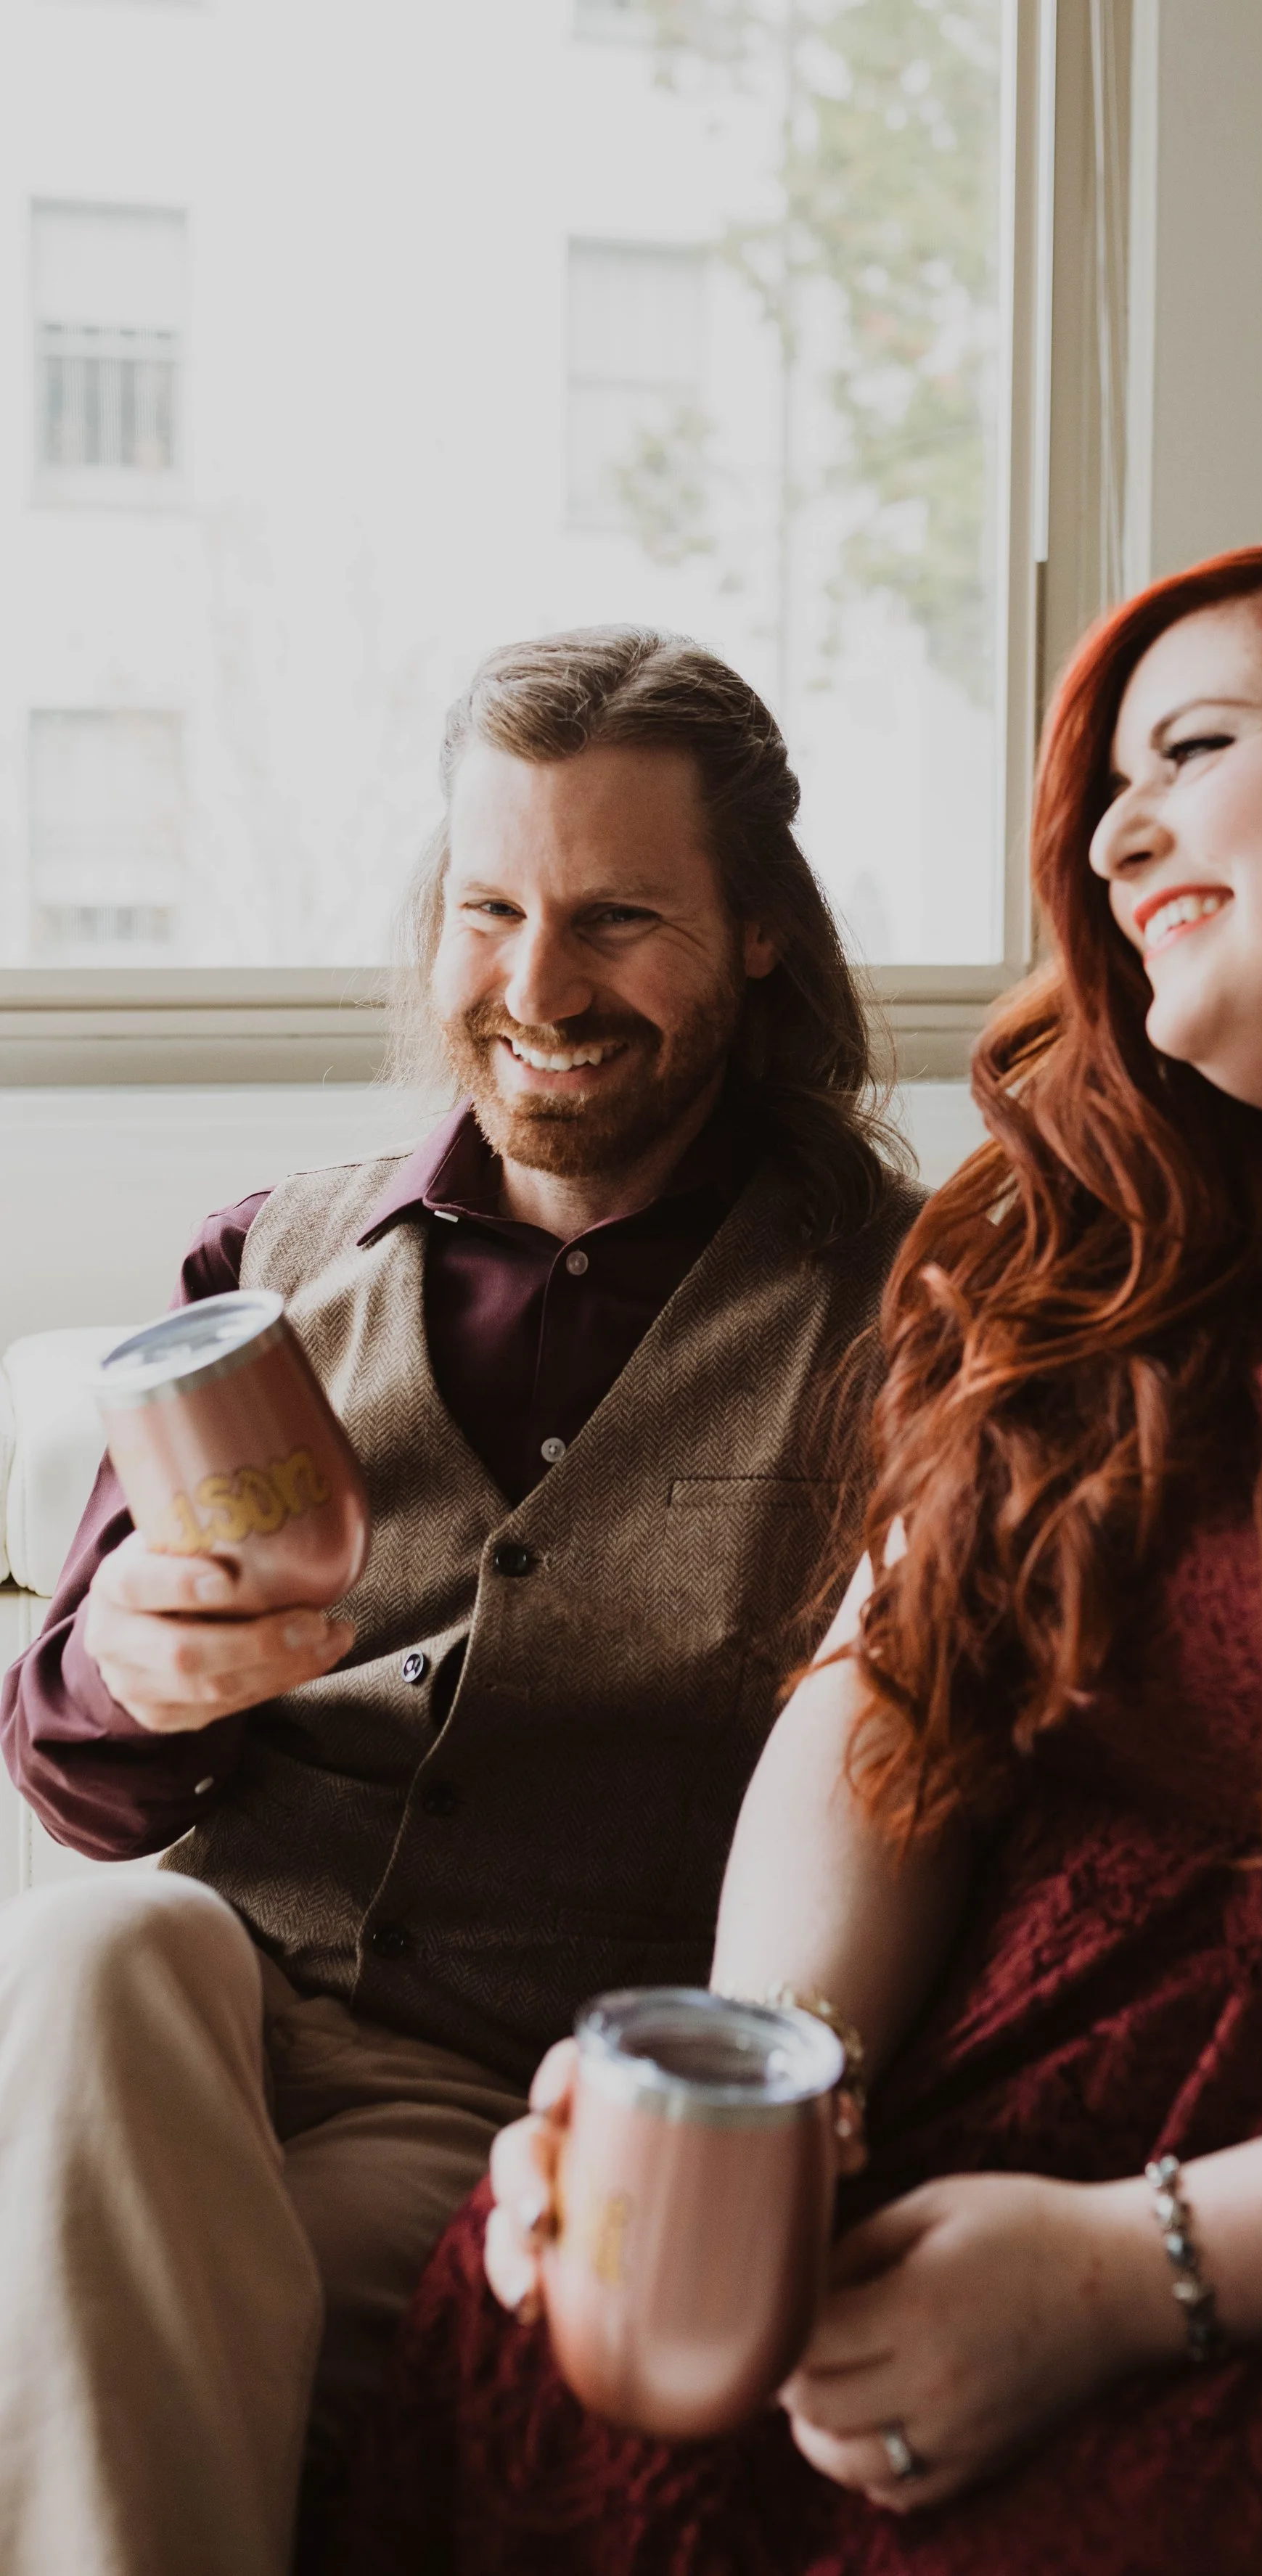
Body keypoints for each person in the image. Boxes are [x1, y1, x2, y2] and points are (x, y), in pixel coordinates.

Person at [352, 534, 1262, 2576]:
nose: (1120, 830)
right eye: (1102, 790)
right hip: (1006, 2084)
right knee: (535, 2365)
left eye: (1191, 749)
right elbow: (884, 1696)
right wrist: (760, 2086)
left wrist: (1134, 2273)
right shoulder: (1094, 1226)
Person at [0, 626, 920, 2576]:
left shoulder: (906, 1312)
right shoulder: (271, 1256)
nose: (535, 986)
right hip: (196, 2011)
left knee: (164, 2317)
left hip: (497, 2085)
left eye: (614, 917)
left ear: (756, 928)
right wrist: (129, 1674)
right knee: (89, 1949)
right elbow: (73, 1791)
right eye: (489, 906)